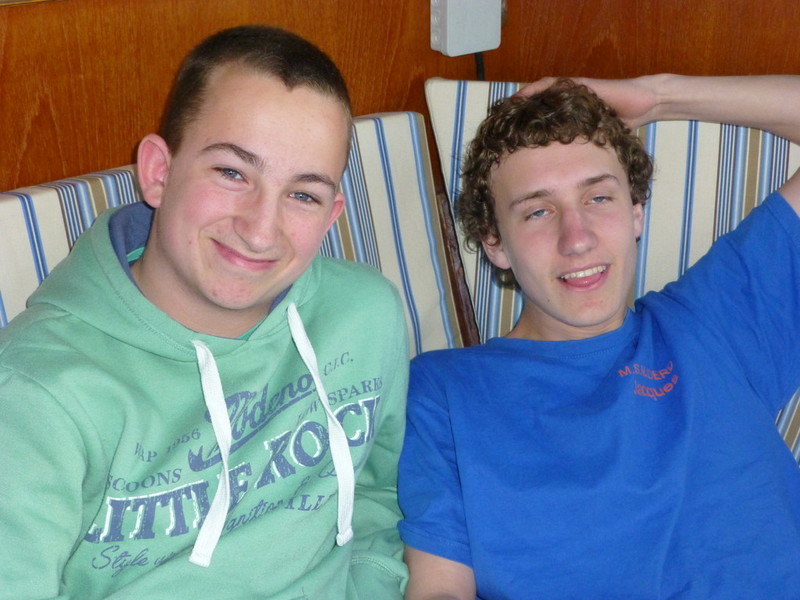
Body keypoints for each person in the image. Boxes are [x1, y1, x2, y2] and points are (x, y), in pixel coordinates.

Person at [0, 25, 409, 599]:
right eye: (232, 173)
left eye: (303, 194)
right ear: (158, 172)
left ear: (332, 213)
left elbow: (380, 497)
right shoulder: (36, 395)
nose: (260, 230)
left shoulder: (365, 316)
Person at [397, 74, 800, 599]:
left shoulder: (716, 320)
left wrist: (659, 98)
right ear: (495, 242)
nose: (577, 239)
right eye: (538, 211)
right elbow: (439, 589)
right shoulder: (446, 393)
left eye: (599, 197)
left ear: (636, 212)